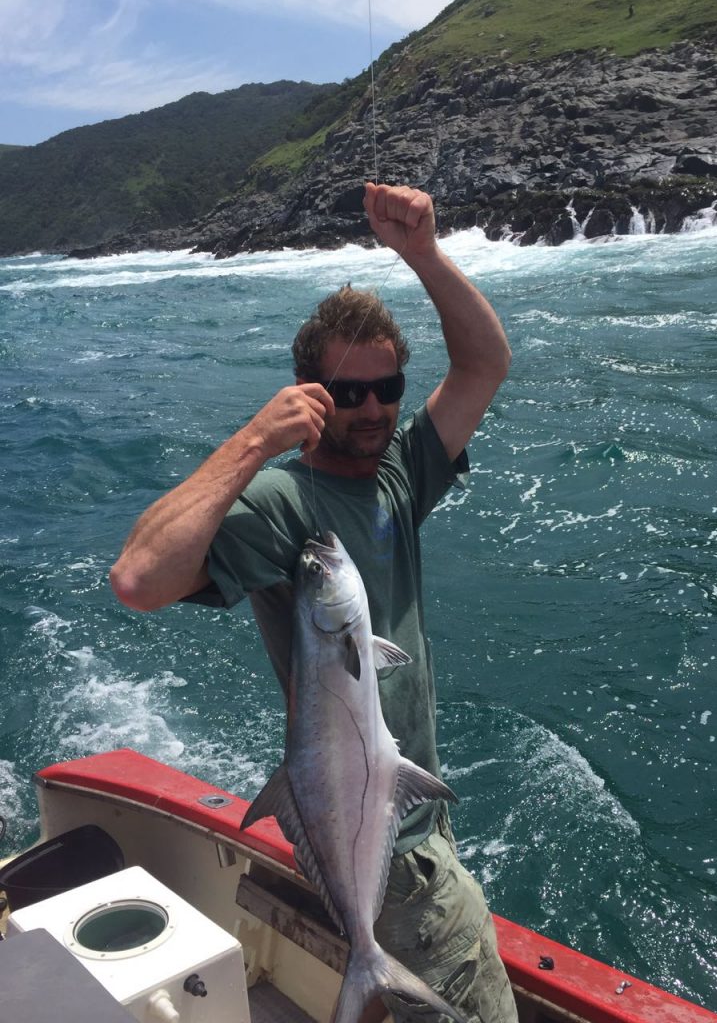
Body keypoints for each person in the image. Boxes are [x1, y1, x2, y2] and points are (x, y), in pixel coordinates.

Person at [110, 182, 517, 1023]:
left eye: (388, 387)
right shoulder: (282, 507)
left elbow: (484, 364)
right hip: (396, 859)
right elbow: (139, 581)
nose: (373, 409)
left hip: (390, 817)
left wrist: (424, 253)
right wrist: (256, 439)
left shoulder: (399, 475)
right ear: (313, 392)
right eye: (351, 392)